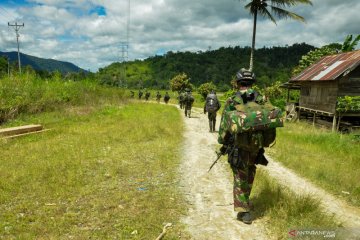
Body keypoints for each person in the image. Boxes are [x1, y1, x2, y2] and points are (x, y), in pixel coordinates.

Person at [217, 68, 269, 224]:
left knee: (240, 176)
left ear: (238, 83)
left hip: (239, 147)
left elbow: (225, 127)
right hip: (256, 146)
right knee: (251, 172)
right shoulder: (261, 100)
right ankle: (245, 201)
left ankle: (243, 211)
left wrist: (223, 144)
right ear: (253, 83)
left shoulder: (233, 101)